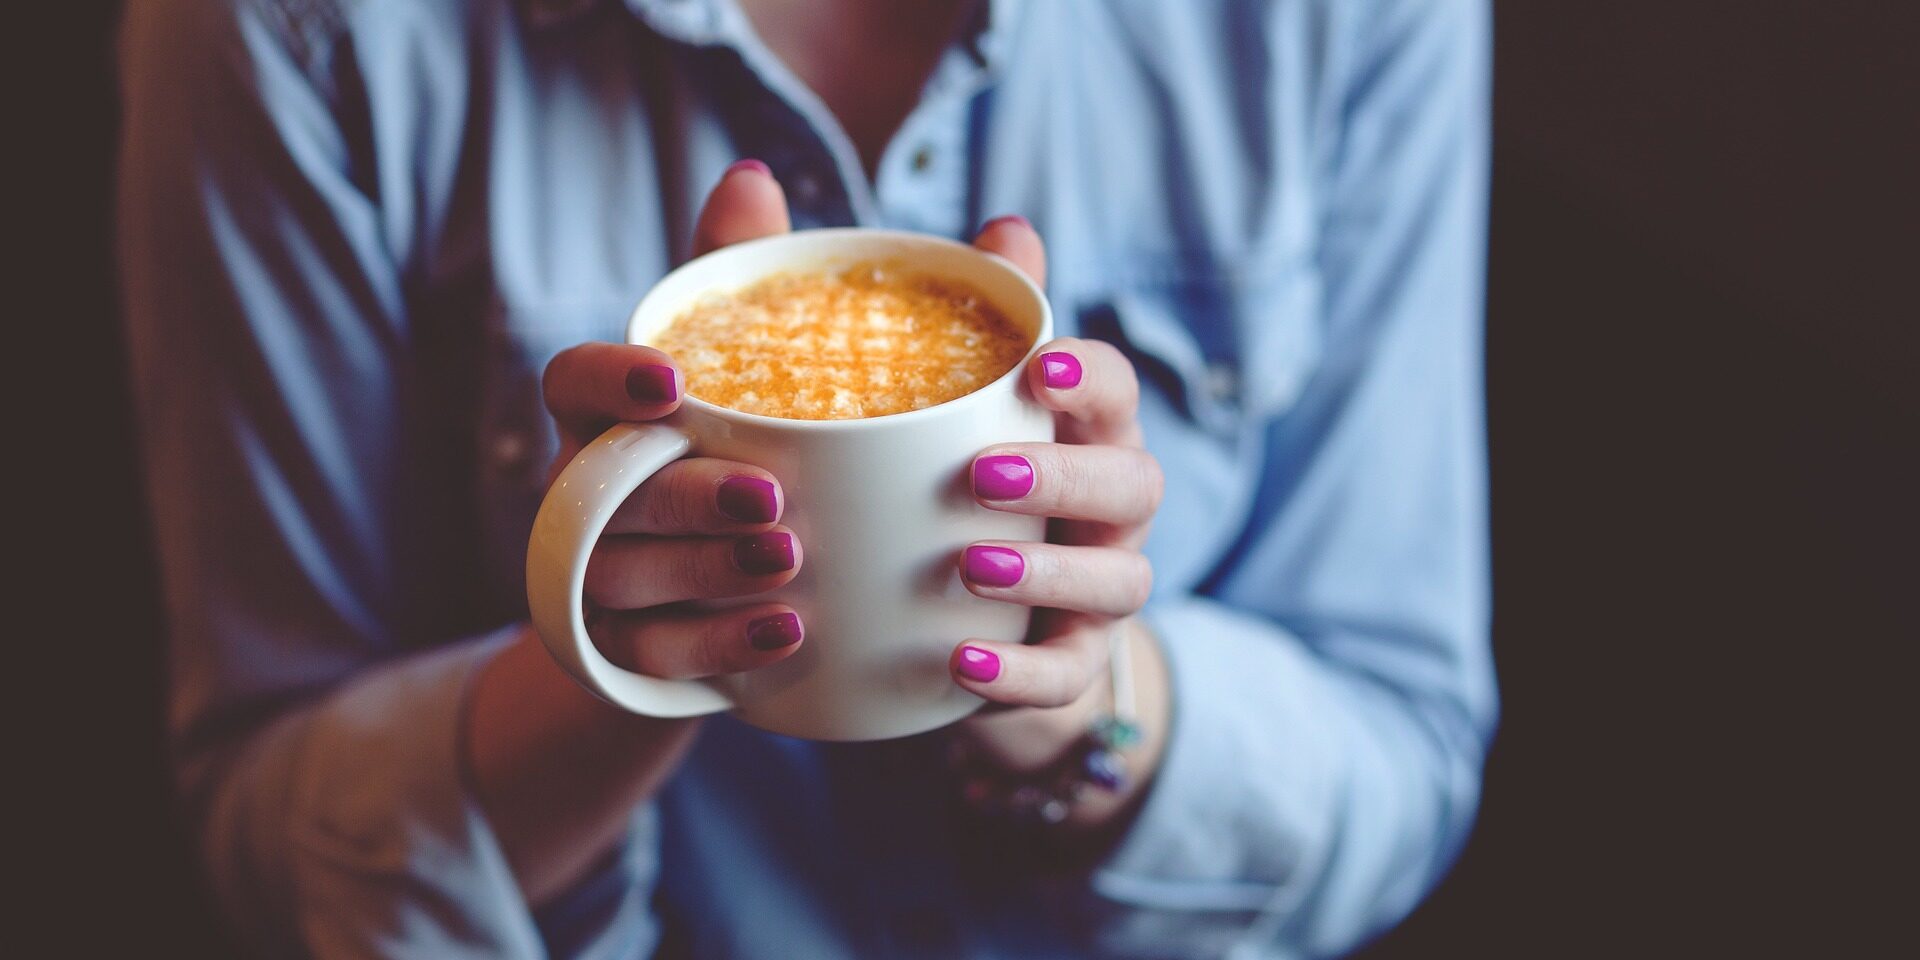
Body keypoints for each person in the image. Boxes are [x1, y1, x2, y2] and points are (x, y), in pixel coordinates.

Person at [118, 0, 1494, 956]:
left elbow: (1407, 746)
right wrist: (619, 668)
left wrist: (1082, 698)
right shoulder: (298, 32)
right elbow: (261, 834)